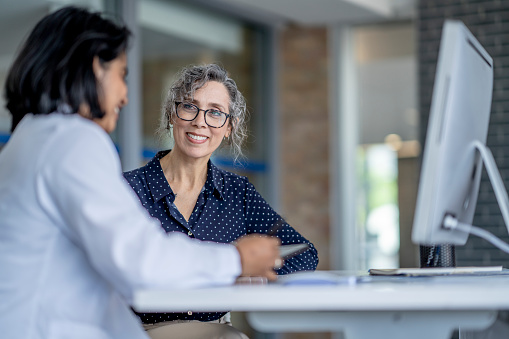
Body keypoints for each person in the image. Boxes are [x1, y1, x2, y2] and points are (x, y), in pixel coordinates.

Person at [0, 7, 281, 339]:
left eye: (215, 113)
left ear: (230, 128)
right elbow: (140, 260)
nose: (125, 95)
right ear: (95, 68)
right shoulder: (74, 140)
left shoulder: (30, 139)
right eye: (122, 75)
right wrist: (234, 260)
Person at [123, 63, 319, 338]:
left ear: (229, 127)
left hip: (215, 330)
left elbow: (304, 252)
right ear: (172, 114)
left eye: (215, 112)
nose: (200, 121)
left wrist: (254, 272)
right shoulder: (128, 189)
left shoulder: (237, 193)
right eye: (190, 107)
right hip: (139, 330)